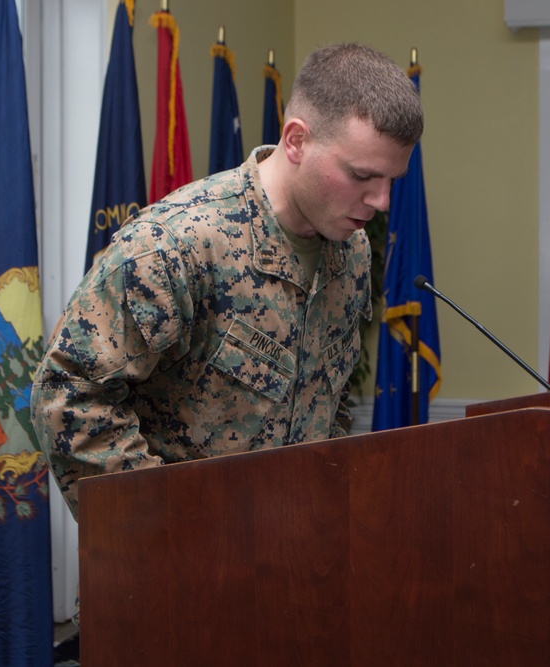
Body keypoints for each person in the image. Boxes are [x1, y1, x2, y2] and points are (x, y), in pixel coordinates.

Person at [30, 42, 423, 522]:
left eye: (391, 180)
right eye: (363, 175)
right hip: (178, 572)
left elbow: (330, 403)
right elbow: (67, 393)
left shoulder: (352, 252)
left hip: (295, 562)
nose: (381, 201)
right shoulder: (177, 243)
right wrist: (168, 527)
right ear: (296, 141)